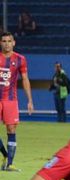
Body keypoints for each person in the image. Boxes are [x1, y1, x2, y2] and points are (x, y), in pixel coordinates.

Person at [0, 32, 34, 172]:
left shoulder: (20, 59)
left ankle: (10, 164)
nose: (7, 43)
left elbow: (25, 79)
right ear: (0, 43)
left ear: (14, 43)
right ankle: (5, 154)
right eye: (4, 41)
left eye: (9, 41)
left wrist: (29, 100)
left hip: (10, 99)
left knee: (11, 129)